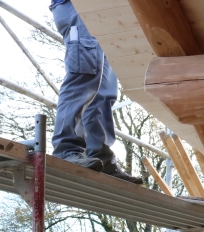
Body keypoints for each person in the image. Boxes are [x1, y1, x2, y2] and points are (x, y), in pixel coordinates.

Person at [48, 0, 142, 184]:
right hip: (79, 7)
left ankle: (103, 159)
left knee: (104, 91)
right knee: (83, 76)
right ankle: (66, 149)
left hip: (102, 13)